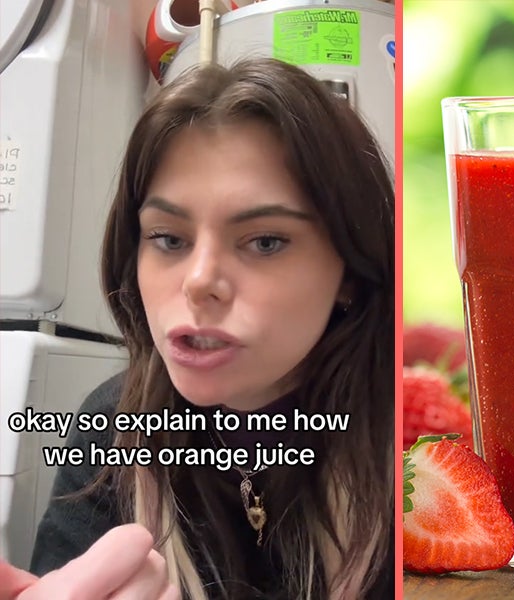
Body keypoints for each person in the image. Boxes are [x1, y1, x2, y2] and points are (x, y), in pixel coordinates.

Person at [8, 57, 395, 599]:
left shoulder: (410, 452)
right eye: (168, 239)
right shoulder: (112, 430)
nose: (199, 282)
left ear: (350, 272)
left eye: (265, 242)